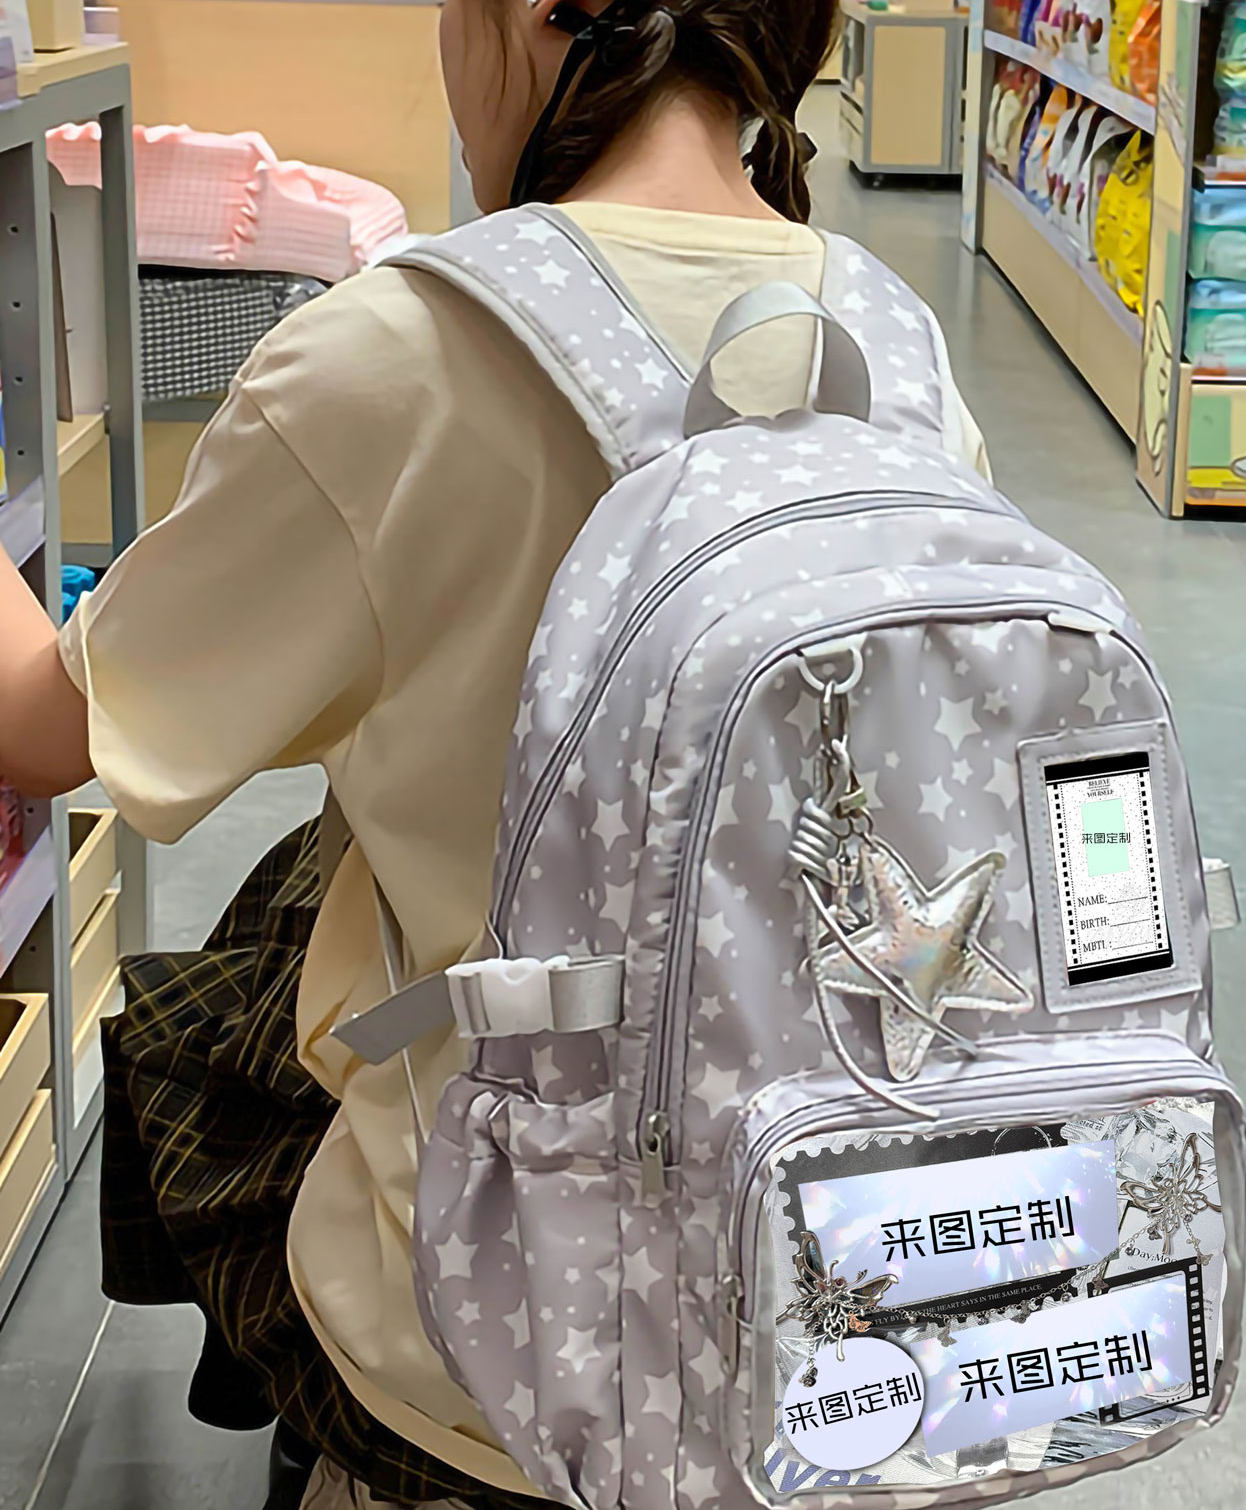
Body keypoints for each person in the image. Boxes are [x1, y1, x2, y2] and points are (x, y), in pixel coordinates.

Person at [0, 0, 993, 1504]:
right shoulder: (897, 349)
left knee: (242, 995)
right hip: (835, 1272)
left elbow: (45, 730)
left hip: (501, 1319)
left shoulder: (392, 355)